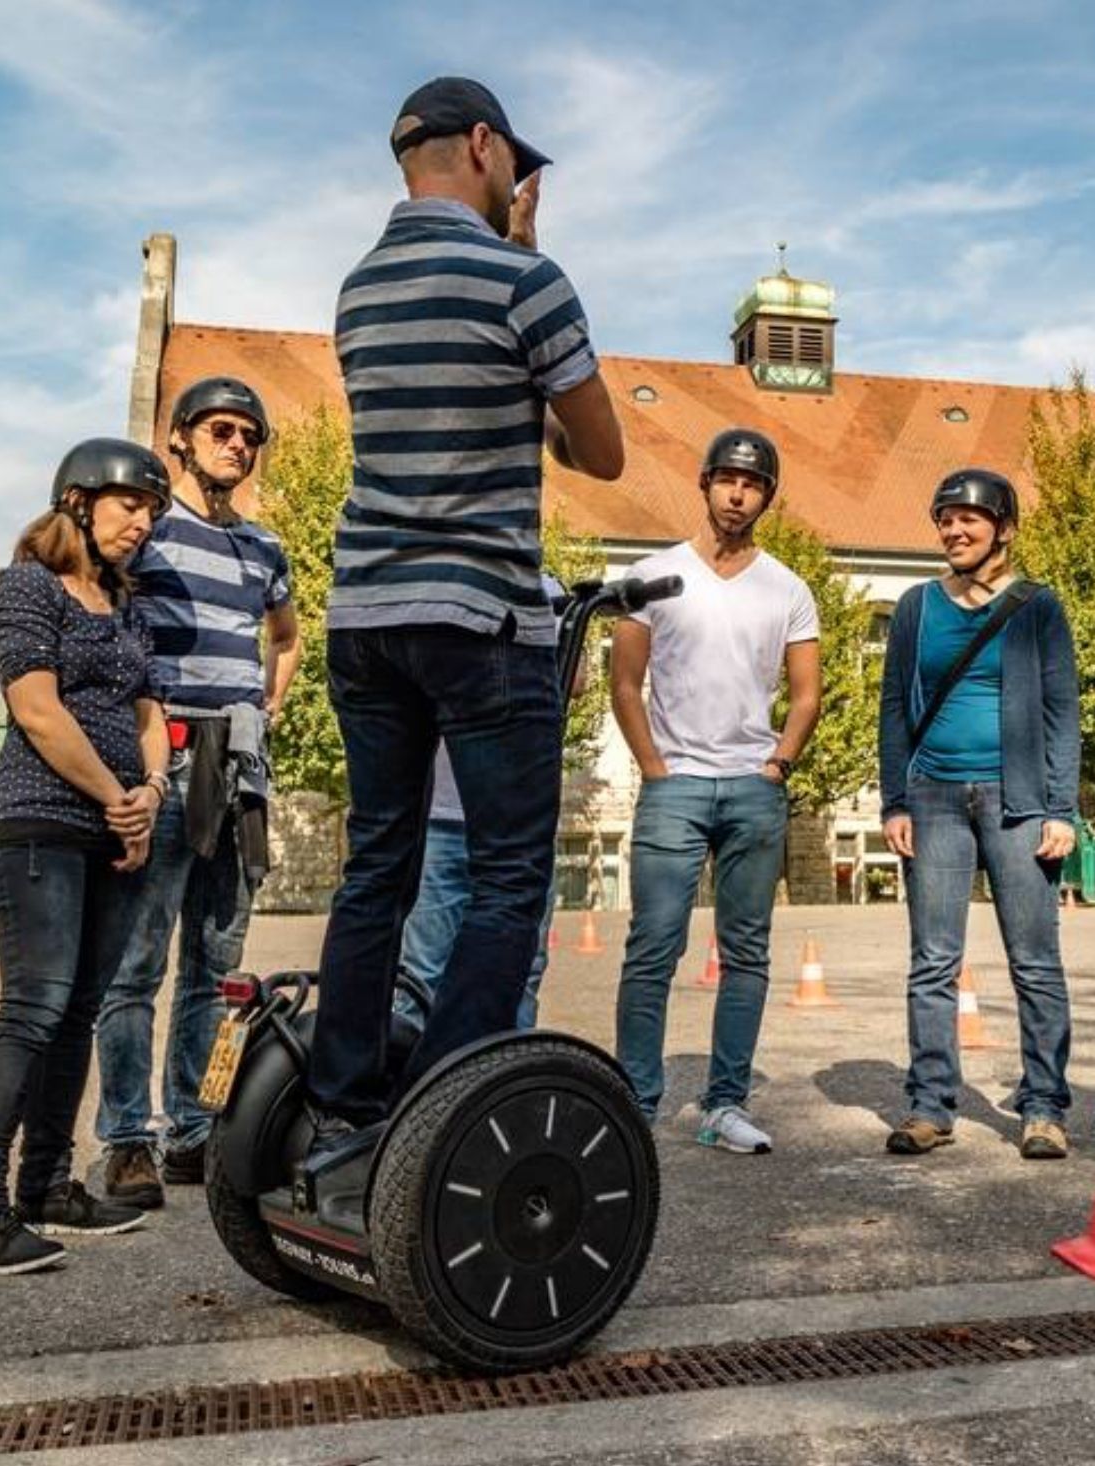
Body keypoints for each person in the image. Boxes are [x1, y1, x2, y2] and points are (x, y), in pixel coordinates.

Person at [307, 76, 624, 1157]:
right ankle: (443, 1104)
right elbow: (601, 454)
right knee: (506, 876)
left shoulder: (355, 291)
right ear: (484, 144)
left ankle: (342, 1095)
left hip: (363, 613)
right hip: (477, 616)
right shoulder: (525, 281)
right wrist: (532, 262)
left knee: (378, 862)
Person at [0, 439, 173, 1273]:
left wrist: (149, 791)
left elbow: (152, 712)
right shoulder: (27, 588)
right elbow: (37, 711)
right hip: (38, 822)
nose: (142, 522)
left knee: (80, 1008)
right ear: (77, 501)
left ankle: (45, 1185)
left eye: (152, 511)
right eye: (130, 505)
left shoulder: (128, 605)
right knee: (32, 1007)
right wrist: (114, 796)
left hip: (115, 831)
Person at [93, 376, 300, 1210]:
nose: (237, 444)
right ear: (179, 437)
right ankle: (126, 1139)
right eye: (220, 428)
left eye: (250, 435)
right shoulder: (148, 531)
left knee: (218, 971)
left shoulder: (265, 549)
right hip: (164, 761)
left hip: (238, 769)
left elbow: (284, 635)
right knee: (135, 963)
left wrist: (268, 703)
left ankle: (192, 1126)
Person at [611, 428, 821, 1152]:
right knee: (652, 946)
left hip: (752, 788)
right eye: (727, 478)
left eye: (753, 482)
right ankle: (636, 1101)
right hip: (675, 785)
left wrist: (779, 764)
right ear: (704, 483)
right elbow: (625, 685)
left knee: (747, 952)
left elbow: (805, 693)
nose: (738, 492)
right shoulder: (653, 575)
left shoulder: (787, 587)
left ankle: (725, 1102)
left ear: (766, 495)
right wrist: (654, 767)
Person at [877, 470, 1080, 1160]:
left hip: (1017, 800)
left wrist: (1062, 808)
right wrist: (894, 799)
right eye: (945, 519)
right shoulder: (916, 607)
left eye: (970, 518)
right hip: (933, 797)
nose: (955, 530)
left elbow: (1061, 711)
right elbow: (894, 709)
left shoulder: (1038, 606)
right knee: (933, 960)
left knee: (1035, 960)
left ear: (1004, 527)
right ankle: (930, 1104)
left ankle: (1045, 1106)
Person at [393, 575, 578, 1034]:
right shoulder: (439, 582)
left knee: (522, 969)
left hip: (521, 822)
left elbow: (573, 682)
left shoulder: (549, 591)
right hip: (443, 814)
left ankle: (504, 1091)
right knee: (421, 973)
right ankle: (414, 1092)